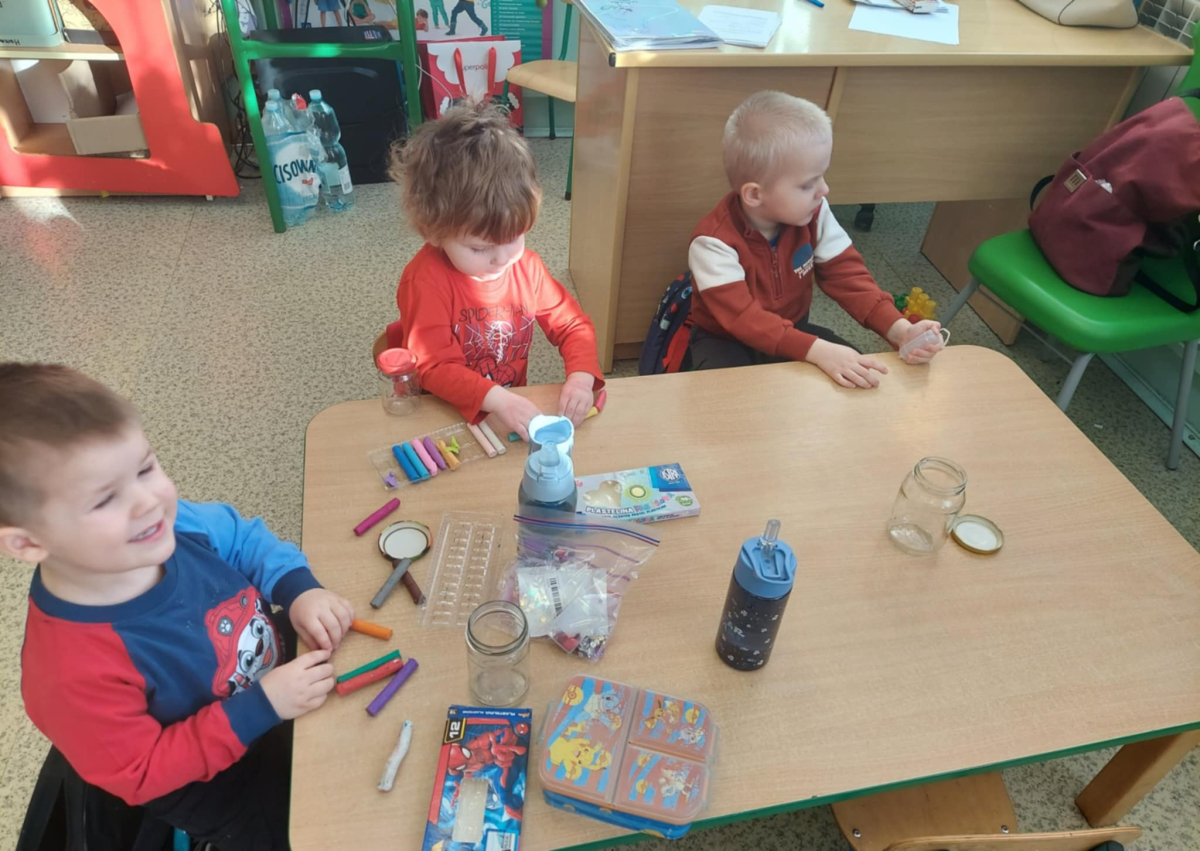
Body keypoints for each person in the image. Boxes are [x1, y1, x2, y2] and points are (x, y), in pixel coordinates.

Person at [0, 363, 354, 850]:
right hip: (229, 785)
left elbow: (242, 538)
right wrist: (263, 706)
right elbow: (144, 771)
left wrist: (298, 590)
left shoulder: (165, 525)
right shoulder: (67, 673)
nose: (148, 502)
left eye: (145, 469)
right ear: (27, 543)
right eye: (104, 500)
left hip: (283, 684)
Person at [688, 91, 944, 388]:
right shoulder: (712, 243)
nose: (824, 190)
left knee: (862, 377)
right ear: (755, 194)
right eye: (807, 184)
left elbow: (847, 276)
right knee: (725, 403)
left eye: (822, 176)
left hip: (795, 330)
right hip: (726, 341)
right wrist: (818, 351)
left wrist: (898, 329)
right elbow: (744, 320)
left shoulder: (815, 212)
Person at [389, 100, 603, 440]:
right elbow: (434, 366)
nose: (502, 258)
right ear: (433, 231)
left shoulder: (527, 267)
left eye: (515, 238)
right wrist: (498, 399)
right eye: (480, 248)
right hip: (443, 414)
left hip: (504, 409)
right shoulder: (425, 281)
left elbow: (573, 326)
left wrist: (580, 376)